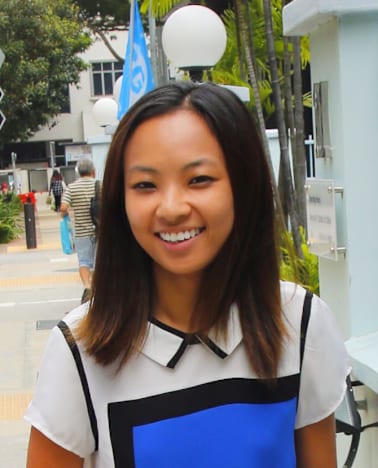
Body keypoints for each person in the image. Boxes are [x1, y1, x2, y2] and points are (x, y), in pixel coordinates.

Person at [25, 82, 349, 467]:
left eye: (199, 180)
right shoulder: (80, 349)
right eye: (145, 185)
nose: (172, 208)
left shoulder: (299, 323)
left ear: (243, 187)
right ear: (120, 201)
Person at [60, 158, 98, 303]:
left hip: (81, 232)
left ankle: (87, 287)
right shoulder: (99, 185)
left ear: (78, 172)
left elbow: (63, 207)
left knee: (84, 261)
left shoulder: (72, 187)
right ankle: (97, 288)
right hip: (100, 230)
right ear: (93, 171)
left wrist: (65, 215)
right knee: (98, 261)